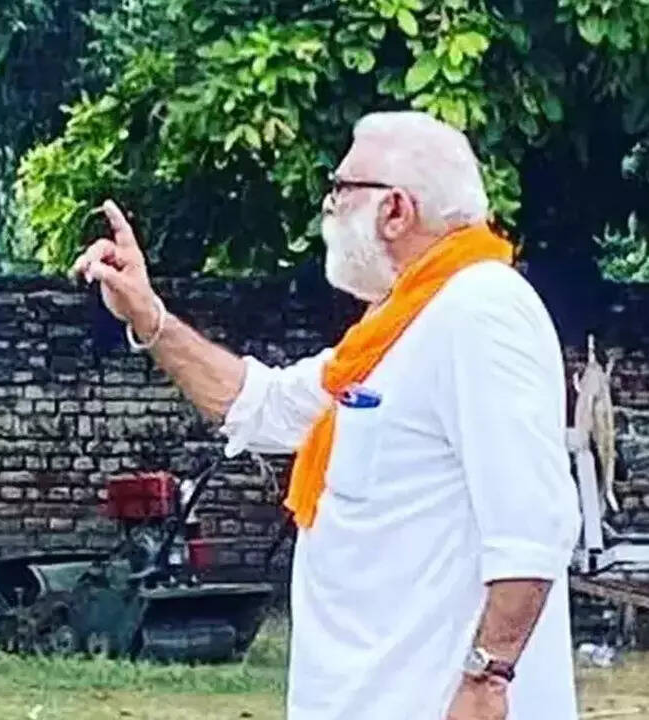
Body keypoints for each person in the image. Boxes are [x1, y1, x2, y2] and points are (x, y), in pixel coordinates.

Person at [72, 111, 581, 720]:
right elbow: (259, 406)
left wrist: (487, 678)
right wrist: (148, 316)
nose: (327, 205)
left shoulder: (481, 309)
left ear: (396, 210)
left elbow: (533, 525)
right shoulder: (394, 328)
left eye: (341, 188)